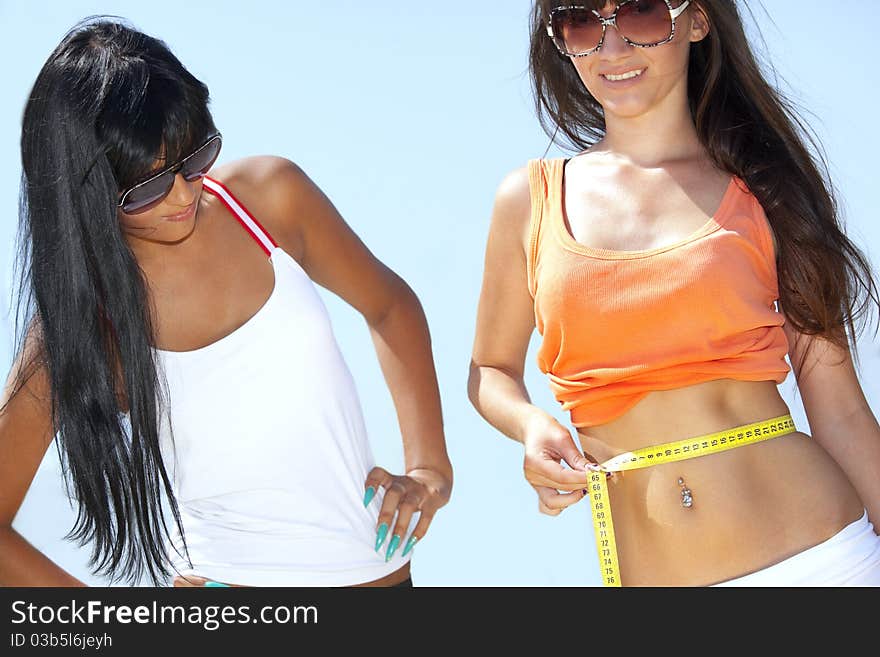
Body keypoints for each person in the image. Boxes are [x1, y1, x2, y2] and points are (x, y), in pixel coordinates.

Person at [0, 18, 452, 588]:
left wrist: (430, 468)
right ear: (86, 193)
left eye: (193, 158)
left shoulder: (267, 200)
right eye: (147, 186)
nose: (185, 195)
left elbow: (391, 306)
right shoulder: (88, 316)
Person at [469, 0, 880, 586]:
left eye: (640, 13)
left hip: (825, 563)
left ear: (696, 20)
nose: (612, 49)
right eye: (582, 21)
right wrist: (530, 426)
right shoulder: (529, 201)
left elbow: (839, 409)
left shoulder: (766, 190)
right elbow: (489, 368)